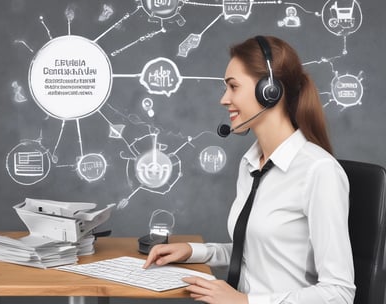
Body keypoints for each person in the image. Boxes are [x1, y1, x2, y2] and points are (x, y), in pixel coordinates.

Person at [143, 35, 356, 304]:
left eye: (233, 87)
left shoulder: (319, 171)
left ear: (269, 91)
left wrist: (244, 302)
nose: (224, 99)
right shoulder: (251, 164)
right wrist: (193, 251)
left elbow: (339, 293)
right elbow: (255, 251)